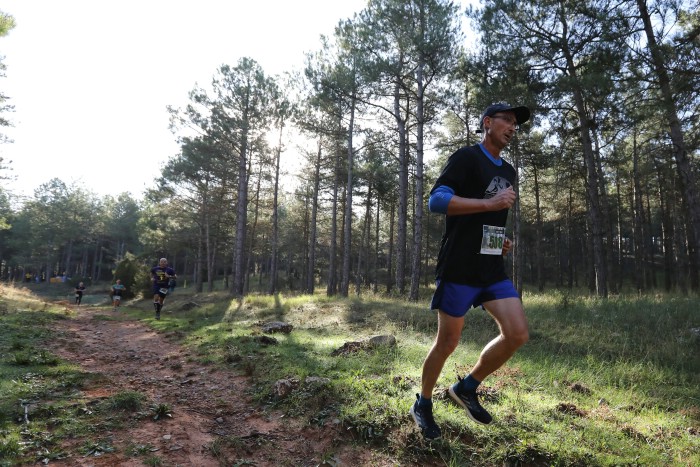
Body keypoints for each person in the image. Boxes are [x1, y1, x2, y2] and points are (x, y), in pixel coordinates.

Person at [410, 102, 531, 440]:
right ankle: (423, 403)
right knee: (447, 342)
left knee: (517, 333)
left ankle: (466, 387)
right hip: (460, 266)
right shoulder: (466, 158)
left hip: (490, 267)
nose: (512, 127)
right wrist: (489, 204)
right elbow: (436, 201)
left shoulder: (508, 170)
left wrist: (501, 240)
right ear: (487, 122)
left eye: (515, 124)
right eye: (506, 120)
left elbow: (490, 219)